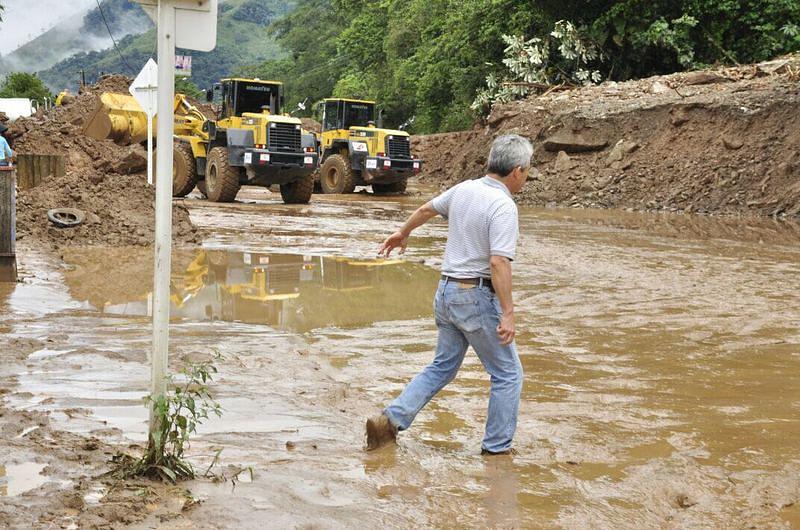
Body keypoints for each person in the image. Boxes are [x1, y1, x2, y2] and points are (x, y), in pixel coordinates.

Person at [367, 134, 533, 455]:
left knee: (442, 367)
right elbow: (498, 262)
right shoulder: (503, 206)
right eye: (526, 172)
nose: (525, 179)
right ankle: (497, 450)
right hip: (474, 296)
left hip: (445, 292)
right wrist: (509, 312)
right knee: (508, 374)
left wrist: (402, 232)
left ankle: (389, 420)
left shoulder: (464, 189)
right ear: (516, 171)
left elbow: (426, 209)